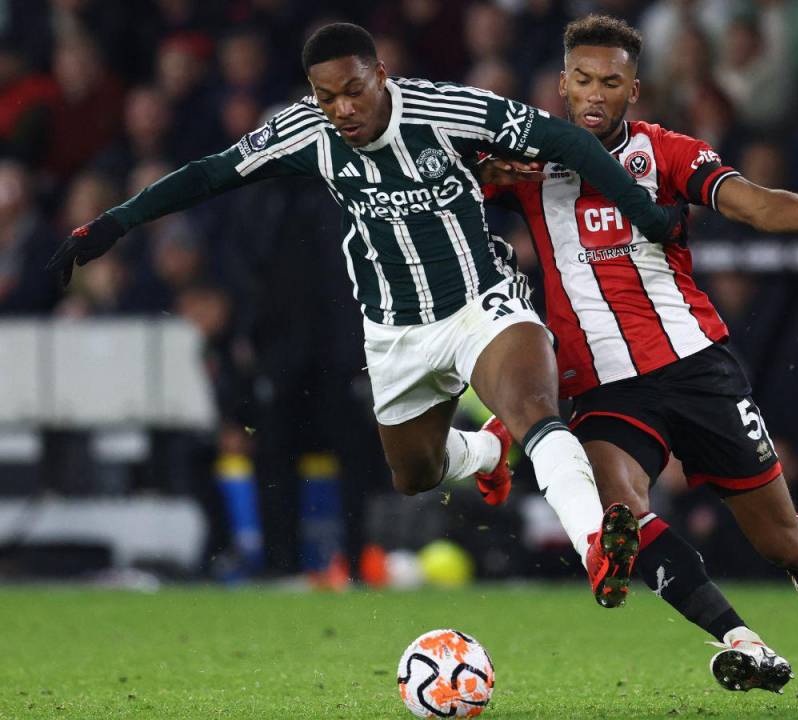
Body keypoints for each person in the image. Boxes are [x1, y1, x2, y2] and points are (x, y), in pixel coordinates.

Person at [46, 22, 690, 607]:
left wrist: (650, 214)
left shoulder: (448, 109)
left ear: (380, 75)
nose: (343, 109)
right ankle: (488, 451)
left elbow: (565, 141)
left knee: (535, 413)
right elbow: (208, 174)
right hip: (394, 329)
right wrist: (112, 224)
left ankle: (595, 548)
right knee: (415, 472)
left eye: (353, 90)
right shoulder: (307, 132)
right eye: (328, 96)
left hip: (481, 302)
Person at [479, 15, 798, 693]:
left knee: (778, 540)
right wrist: (483, 162)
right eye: (582, 81)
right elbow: (449, 180)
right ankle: (743, 642)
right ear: (562, 85)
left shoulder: (664, 152)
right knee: (618, 513)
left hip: (697, 366)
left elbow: (751, 205)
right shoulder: (531, 163)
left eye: (611, 82)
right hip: (606, 390)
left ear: (635, 89)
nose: (595, 94)